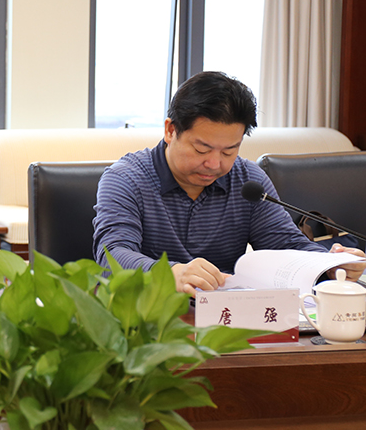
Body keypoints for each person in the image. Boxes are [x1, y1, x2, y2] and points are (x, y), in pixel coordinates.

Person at [93, 71, 365, 295]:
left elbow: (287, 246)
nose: (214, 164)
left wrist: (329, 264)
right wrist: (167, 273)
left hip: (227, 322)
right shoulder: (126, 179)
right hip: (150, 322)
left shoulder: (247, 180)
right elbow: (112, 255)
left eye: (229, 151)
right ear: (170, 130)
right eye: (202, 149)